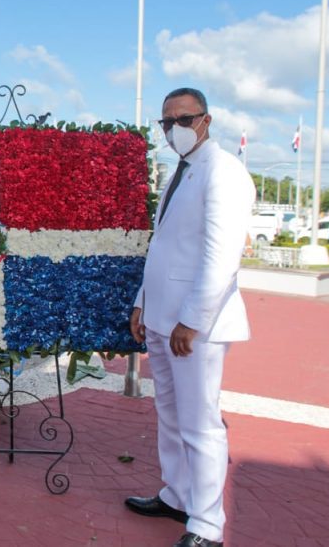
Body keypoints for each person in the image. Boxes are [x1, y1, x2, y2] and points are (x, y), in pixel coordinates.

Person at [125, 87, 254, 547]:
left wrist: (192, 320)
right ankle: (177, 495)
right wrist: (142, 302)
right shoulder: (181, 173)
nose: (174, 129)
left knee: (201, 422)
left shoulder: (224, 172)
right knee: (170, 415)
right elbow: (163, 248)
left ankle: (207, 524)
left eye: (184, 119)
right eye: (167, 122)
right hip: (161, 318)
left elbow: (221, 257)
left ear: (206, 120)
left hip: (195, 326)